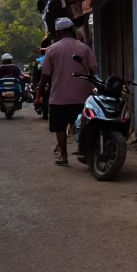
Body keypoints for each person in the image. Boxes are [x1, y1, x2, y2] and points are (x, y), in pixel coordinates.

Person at [40, 17, 96, 166]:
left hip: (59, 96)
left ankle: (63, 156)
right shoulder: (84, 48)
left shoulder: (52, 49)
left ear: (58, 32)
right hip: (82, 96)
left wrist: (41, 93)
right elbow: (93, 70)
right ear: (72, 30)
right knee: (84, 126)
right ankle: (85, 152)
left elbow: (45, 75)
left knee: (60, 127)